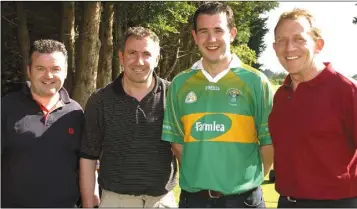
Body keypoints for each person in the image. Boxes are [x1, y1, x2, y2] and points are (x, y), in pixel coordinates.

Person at [161, 2, 274, 208]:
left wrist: (244, 182)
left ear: (232, 33)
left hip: (244, 200)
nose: (211, 39)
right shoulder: (180, 83)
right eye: (203, 31)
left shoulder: (256, 82)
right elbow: (177, 143)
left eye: (218, 30)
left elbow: (268, 143)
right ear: (195, 37)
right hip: (194, 200)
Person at [79, 26, 178, 208]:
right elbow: (88, 157)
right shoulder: (100, 100)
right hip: (116, 200)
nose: (139, 61)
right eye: (132, 53)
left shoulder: (174, 95)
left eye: (146, 54)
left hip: (161, 201)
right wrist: (87, 204)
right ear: (121, 57)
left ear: (157, 59)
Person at [269, 8, 357, 208]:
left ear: (318, 45)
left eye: (299, 39)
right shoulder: (281, 95)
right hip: (287, 202)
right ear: (274, 47)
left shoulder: (346, 91)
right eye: (282, 40)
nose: (289, 48)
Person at [1, 39, 84, 207]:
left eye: (56, 69)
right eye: (41, 68)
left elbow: (85, 166)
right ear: (29, 71)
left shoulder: (76, 113)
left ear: (66, 72)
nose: (49, 76)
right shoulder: (6, 108)